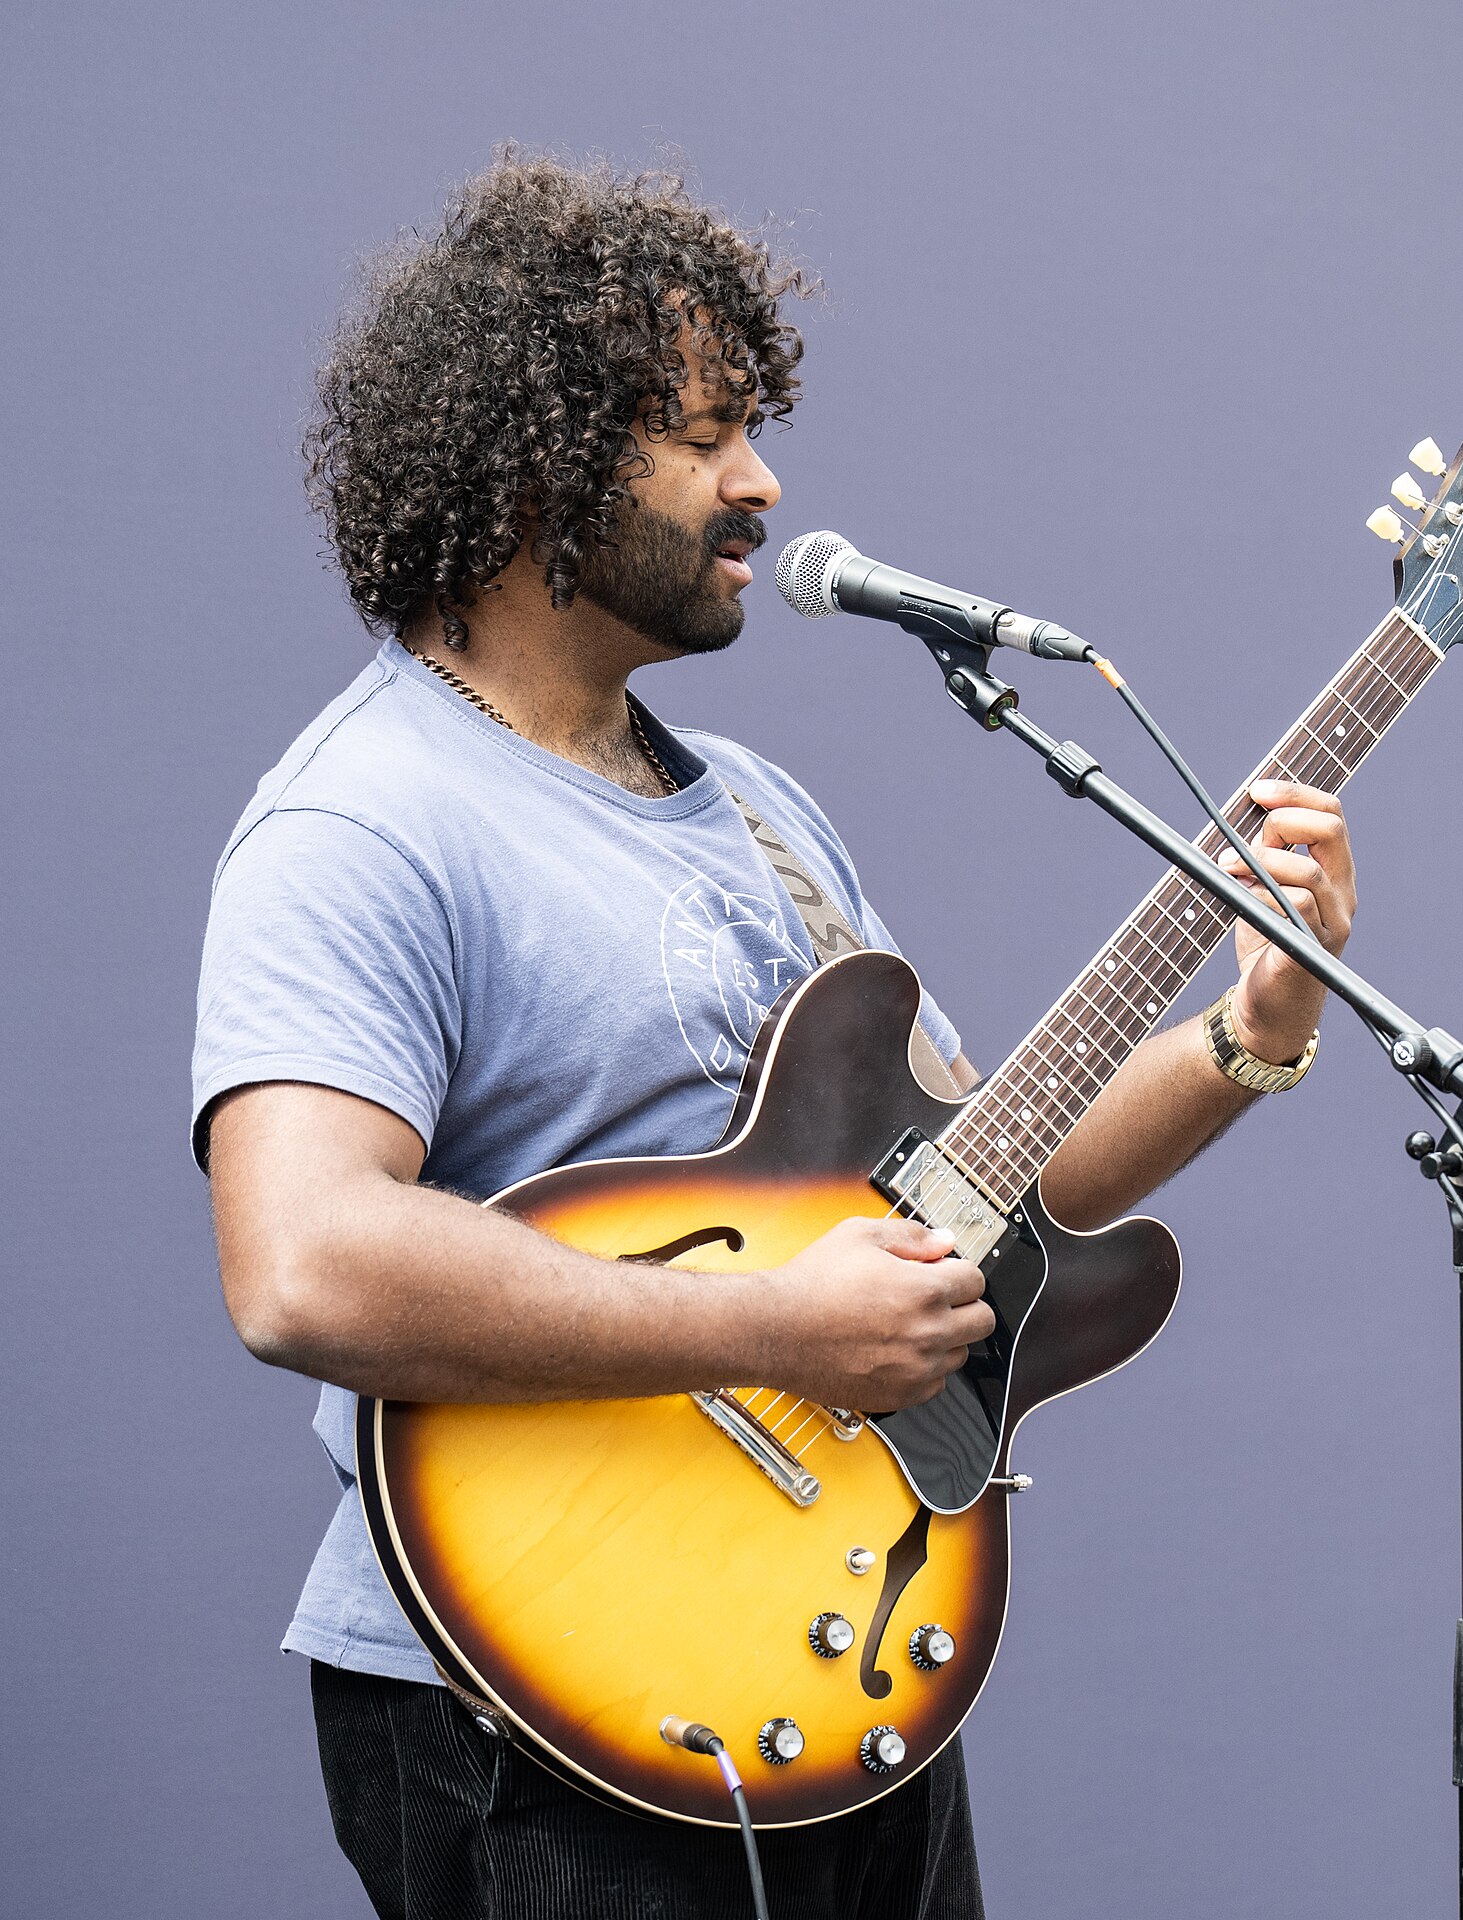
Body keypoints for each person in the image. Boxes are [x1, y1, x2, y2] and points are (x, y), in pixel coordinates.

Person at [193, 153, 1357, 1920]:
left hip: (834, 1671)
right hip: (535, 1700)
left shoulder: (760, 813)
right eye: (707, 433)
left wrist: (1252, 1025)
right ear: (538, 466)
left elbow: (980, 1180)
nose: (765, 481)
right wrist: (773, 1325)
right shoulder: (365, 819)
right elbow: (301, 1266)